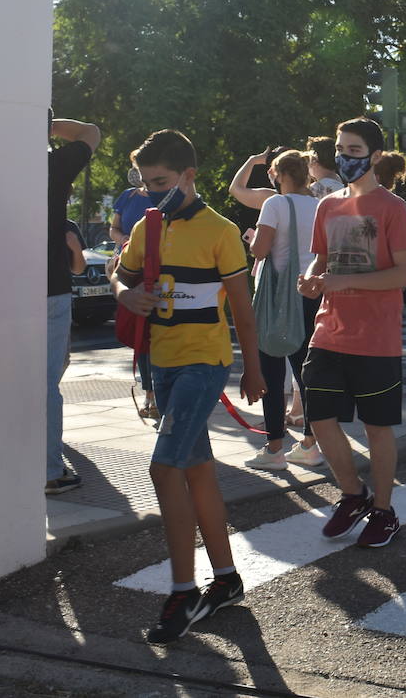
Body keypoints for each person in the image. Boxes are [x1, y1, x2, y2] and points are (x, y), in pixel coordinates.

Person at [111, 129, 266, 645]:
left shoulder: (220, 231)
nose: (151, 191)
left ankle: (183, 592)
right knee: (198, 470)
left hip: (204, 364)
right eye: (145, 182)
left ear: (188, 175)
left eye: (160, 181)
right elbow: (121, 275)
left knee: (164, 467)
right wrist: (124, 294)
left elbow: (242, 308)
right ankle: (225, 580)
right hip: (163, 364)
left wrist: (254, 368)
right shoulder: (147, 228)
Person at [296, 118, 406, 549]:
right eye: (341, 150)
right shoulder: (327, 206)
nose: (345, 158)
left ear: (375, 156)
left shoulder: (392, 208)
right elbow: (320, 260)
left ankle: (384, 511)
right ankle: (353, 494)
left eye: (354, 150)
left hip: (376, 338)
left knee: (376, 428)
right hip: (329, 331)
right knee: (320, 417)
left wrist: (343, 282)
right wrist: (311, 278)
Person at [230, 146, 321, 459]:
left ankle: (274, 448)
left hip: (280, 298)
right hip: (312, 293)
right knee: (306, 371)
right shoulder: (319, 204)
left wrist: (252, 238)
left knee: (270, 367)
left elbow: (261, 250)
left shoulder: (276, 204)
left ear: (282, 175)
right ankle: (310, 443)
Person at [47, 115, 101, 495]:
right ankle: (51, 470)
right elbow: (91, 133)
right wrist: (46, 122)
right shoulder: (52, 165)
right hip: (49, 288)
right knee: (45, 382)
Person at [110, 168, 159, 419]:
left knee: (156, 332)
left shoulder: (164, 195)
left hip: (158, 269)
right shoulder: (128, 197)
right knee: (139, 334)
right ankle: (149, 393)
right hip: (130, 267)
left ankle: (159, 394)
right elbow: (114, 229)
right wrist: (128, 240)